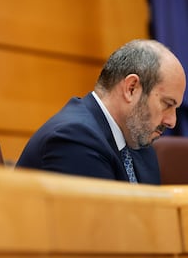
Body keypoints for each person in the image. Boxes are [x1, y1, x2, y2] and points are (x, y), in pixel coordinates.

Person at [16, 39, 186, 184]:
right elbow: (101, 223)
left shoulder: (139, 144)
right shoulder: (74, 139)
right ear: (131, 88)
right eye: (167, 104)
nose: (172, 121)